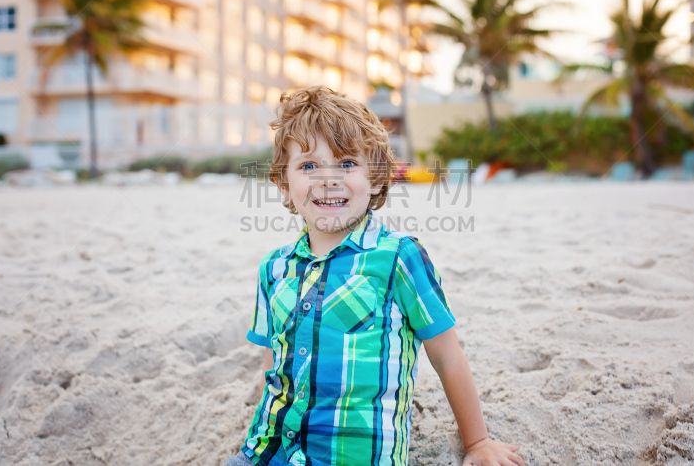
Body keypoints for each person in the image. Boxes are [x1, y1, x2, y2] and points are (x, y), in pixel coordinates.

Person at [225, 86, 526, 466]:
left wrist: (478, 442)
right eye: (308, 166)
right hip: (267, 453)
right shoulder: (274, 269)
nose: (328, 179)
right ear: (284, 183)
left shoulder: (399, 257)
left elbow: (447, 356)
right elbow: (274, 366)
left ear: (378, 178)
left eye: (347, 163)